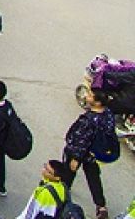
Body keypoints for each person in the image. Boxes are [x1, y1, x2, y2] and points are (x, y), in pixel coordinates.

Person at [62, 88, 115, 219]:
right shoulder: (108, 114)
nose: (87, 96)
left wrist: (75, 158)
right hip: (94, 155)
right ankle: (101, 206)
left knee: (67, 176)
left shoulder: (89, 120)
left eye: (91, 96)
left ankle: (61, 199)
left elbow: (82, 141)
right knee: (94, 178)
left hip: (79, 154)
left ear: (97, 103)